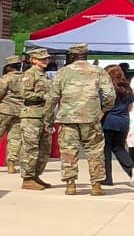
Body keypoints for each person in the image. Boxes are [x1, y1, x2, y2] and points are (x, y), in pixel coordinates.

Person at [45, 41, 115, 195]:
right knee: (95, 150)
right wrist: (104, 109)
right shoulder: (98, 71)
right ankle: (96, 185)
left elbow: (52, 97)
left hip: (67, 118)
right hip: (91, 117)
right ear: (86, 55)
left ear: (72, 56)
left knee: (69, 151)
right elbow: (110, 94)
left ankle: (70, 185)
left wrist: (48, 119)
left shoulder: (63, 72)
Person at [9, 47, 54, 190]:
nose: (45, 61)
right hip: (31, 116)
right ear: (33, 60)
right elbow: (26, 94)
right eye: (42, 59)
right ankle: (27, 178)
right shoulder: (30, 74)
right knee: (31, 148)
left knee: (44, 149)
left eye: (46, 58)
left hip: (44, 115)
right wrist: (43, 96)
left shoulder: (44, 75)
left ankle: (36, 175)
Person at [101, 64, 134, 186]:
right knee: (119, 148)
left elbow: (104, 107)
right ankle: (131, 168)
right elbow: (130, 107)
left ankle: (107, 178)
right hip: (123, 121)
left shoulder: (107, 89)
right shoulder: (127, 88)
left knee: (105, 150)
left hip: (108, 121)